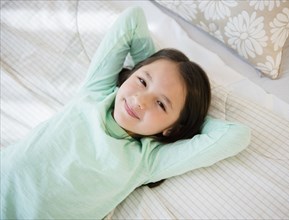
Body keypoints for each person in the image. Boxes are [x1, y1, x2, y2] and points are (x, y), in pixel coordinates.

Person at [0, 7, 251, 219]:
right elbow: (132, 18)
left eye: (161, 104)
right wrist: (153, 68)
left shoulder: (146, 161)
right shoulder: (96, 93)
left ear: (172, 128)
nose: (140, 101)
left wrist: (187, 119)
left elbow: (236, 136)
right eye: (142, 82)